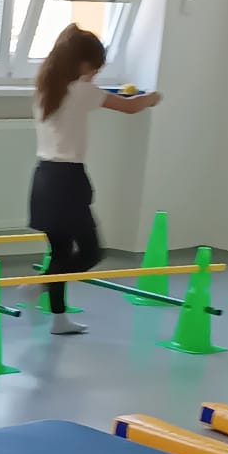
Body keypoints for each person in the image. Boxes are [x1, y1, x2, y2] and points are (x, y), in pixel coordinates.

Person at [30, 25, 160, 334]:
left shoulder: (46, 88)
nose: (96, 74)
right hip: (67, 180)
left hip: (44, 177)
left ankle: (59, 320)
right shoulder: (82, 91)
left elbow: (96, 98)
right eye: (96, 67)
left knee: (60, 252)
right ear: (84, 64)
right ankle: (42, 285)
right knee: (91, 251)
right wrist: (152, 97)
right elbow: (130, 107)